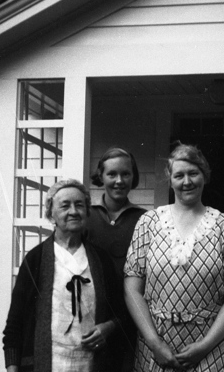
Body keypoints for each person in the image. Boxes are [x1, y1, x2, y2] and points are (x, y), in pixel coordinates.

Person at [124, 143, 224, 372]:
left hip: (212, 350)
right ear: (170, 180)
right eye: (179, 175)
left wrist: (204, 346)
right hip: (157, 349)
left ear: (205, 176)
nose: (187, 182)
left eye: (193, 173)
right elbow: (132, 289)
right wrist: (154, 343)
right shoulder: (148, 223)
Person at [3, 179, 122, 372]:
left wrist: (107, 328)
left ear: (87, 212)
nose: (74, 211)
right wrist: (12, 367)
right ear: (51, 215)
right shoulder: (36, 259)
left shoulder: (101, 260)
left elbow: (121, 314)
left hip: (91, 364)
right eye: (65, 206)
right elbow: (15, 322)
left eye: (79, 205)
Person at [86, 147, 146, 371]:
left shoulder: (145, 220)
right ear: (101, 176)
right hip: (90, 325)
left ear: (134, 177)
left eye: (126, 174)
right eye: (112, 174)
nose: (119, 181)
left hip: (131, 324)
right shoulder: (85, 217)